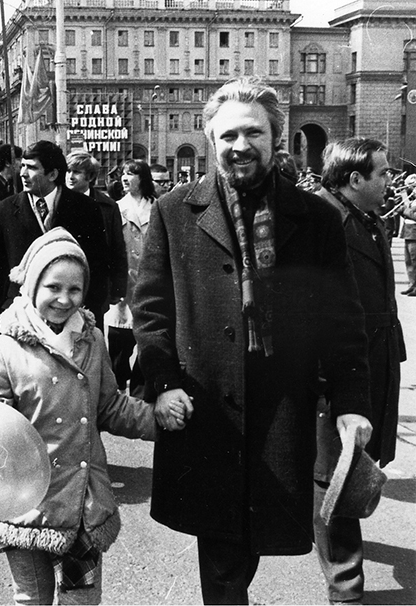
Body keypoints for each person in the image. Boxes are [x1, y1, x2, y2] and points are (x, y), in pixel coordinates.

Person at [131, 77, 373, 605]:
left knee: (258, 534)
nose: (240, 146)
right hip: (206, 405)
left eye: (253, 133)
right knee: (221, 550)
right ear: (212, 140)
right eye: (228, 136)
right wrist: (163, 382)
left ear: (275, 138)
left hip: (283, 408)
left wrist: (352, 404)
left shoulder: (316, 218)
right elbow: (150, 309)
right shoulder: (175, 211)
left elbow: (343, 319)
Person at [0, 228, 158, 605]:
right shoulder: (5, 348)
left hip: (81, 505)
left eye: (75, 290)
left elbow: (110, 406)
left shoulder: (91, 341)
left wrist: (160, 422)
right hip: (23, 502)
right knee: (31, 597)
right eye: (53, 287)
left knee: (81, 601)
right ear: (33, 287)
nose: (64, 299)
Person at [313, 137, 405, 605]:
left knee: (359, 466)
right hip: (341, 373)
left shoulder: (368, 220)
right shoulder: (322, 221)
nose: (390, 180)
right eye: (383, 173)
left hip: (376, 359)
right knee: (339, 475)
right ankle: (345, 588)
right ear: (355, 180)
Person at [0, 139, 110, 336]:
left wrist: (93, 309)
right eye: (22, 166)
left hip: (70, 312)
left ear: (53, 174)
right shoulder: (5, 210)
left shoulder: (85, 208)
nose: (22, 173)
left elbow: (97, 264)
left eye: (31, 168)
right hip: (22, 315)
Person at [107, 160, 157, 396]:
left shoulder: (157, 207)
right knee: (119, 340)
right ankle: (117, 385)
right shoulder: (116, 208)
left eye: (131, 174)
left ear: (143, 178)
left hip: (149, 281)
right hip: (124, 283)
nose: (125, 178)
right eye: (123, 174)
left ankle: (139, 389)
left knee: (148, 337)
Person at [64, 151, 128, 326]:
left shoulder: (107, 206)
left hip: (95, 287)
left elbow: (117, 248)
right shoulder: (58, 202)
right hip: (64, 284)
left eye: (76, 172)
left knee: (92, 338)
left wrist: (117, 287)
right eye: (68, 171)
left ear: (90, 176)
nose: (70, 177)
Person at [398, 174, 416, 295]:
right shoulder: (412, 200)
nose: (412, 190)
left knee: (415, 261)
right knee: (408, 261)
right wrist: (400, 210)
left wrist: (405, 210)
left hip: (414, 233)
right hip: (408, 232)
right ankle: (411, 284)